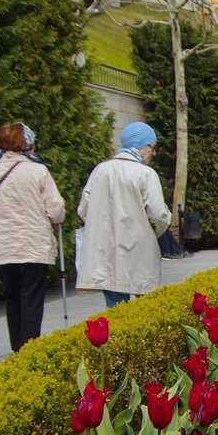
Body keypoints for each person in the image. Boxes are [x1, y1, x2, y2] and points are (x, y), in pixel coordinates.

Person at [0, 121, 65, 352]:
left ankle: (17, 350)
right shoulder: (38, 170)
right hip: (34, 247)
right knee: (31, 300)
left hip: (4, 248)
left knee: (13, 299)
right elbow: (55, 211)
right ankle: (29, 351)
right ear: (28, 144)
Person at [75, 122, 172, 309]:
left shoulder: (100, 170)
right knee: (144, 309)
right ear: (143, 145)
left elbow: (83, 209)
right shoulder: (145, 174)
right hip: (140, 248)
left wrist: (102, 226)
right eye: (153, 147)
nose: (153, 153)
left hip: (107, 250)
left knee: (115, 309)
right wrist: (153, 232)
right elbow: (159, 214)